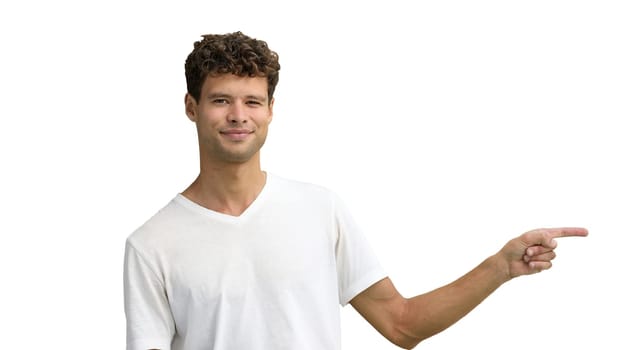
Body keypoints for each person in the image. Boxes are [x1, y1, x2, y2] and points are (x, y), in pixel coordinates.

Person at [123, 31, 588, 350]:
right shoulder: (152, 244)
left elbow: (402, 324)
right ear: (192, 107)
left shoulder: (319, 210)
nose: (238, 115)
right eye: (221, 100)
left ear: (270, 110)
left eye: (253, 101)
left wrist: (500, 267)